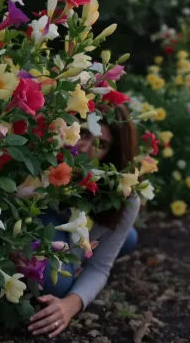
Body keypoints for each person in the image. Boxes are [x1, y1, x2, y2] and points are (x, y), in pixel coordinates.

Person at [27, 105, 141, 338]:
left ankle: (98, 250)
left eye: (103, 145)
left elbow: (100, 267)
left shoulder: (125, 196)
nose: (85, 148)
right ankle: (80, 259)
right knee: (55, 283)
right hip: (49, 218)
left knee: (128, 239)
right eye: (85, 132)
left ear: (112, 155)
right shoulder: (44, 160)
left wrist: (71, 304)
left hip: (77, 235)